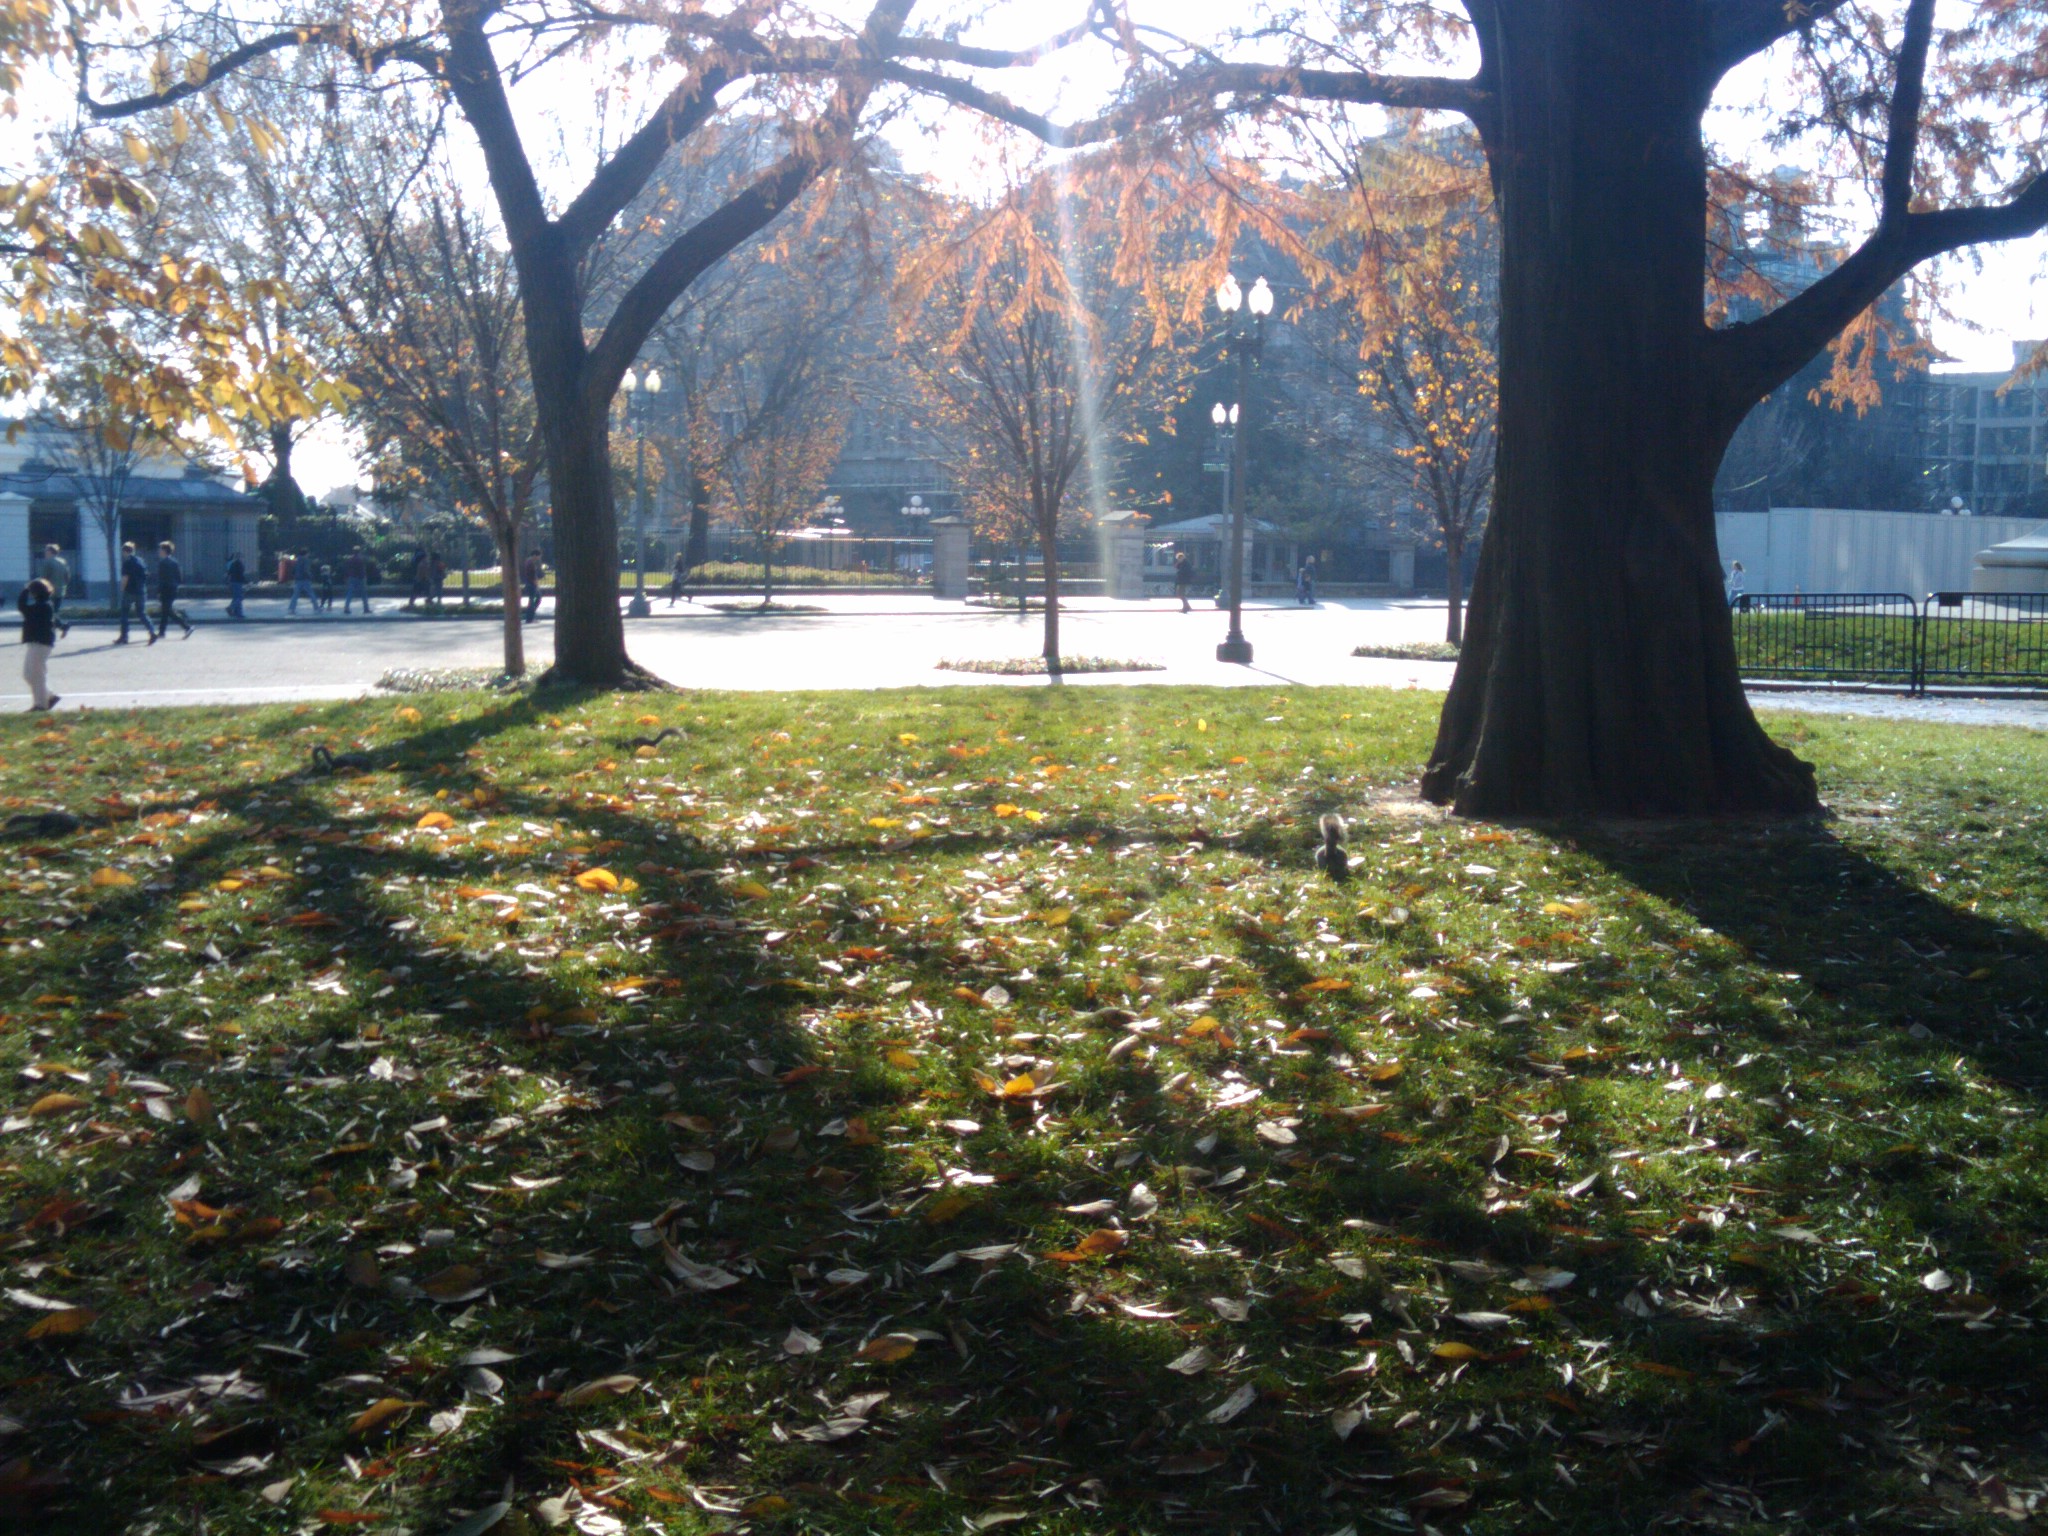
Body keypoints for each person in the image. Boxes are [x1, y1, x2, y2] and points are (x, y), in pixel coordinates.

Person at [18, 577, 58, 712]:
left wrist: (25, 589)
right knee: (29, 674)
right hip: (37, 643)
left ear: (35, 592)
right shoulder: (44, 604)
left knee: (36, 674)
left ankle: (40, 705)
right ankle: (49, 696)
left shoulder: (42, 606)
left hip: (41, 643)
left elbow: (22, 607)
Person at [148, 540, 193, 643]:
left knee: (168, 611)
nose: (159, 551)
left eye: (160, 549)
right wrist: (176, 585)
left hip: (165, 589)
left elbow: (162, 579)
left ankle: (187, 627)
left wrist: (158, 591)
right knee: (165, 611)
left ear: (164, 550)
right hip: (173, 589)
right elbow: (179, 577)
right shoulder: (174, 561)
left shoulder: (163, 563)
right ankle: (162, 632)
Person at [115, 540, 151, 644]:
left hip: (129, 591)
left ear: (125, 551)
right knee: (141, 613)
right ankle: (152, 632)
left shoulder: (127, 563)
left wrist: (122, 588)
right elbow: (146, 575)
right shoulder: (141, 561)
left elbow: (125, 577)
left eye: (123, 552)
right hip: (141, 591)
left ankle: (124, 636)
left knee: (124, 614)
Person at [35, 546, 71, 637]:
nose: (45, 553)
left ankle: (62, 627)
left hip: (49, 592)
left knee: (46, 612)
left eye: (46, 551)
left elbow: (43, 578)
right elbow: (67, 577)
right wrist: (63, 586)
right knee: (54, 612)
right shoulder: (63, 562)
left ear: (50, 552)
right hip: (60, 591)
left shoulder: (48, 562)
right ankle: (54, 630)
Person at [343, 547, 371, 614]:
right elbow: (361, 570)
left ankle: (346, 608)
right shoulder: (360, 560)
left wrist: (347, 577)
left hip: (352, 577)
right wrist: (364, 578)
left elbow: (347, 569)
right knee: (363, 594)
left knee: (350, 593)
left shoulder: (350, 559)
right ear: (359, 552)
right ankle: (366, 609)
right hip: (360, 578)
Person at [521, 550, 543, 623]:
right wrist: (537, 585)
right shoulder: (531, 563)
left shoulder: (528, 562)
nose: (538, 559)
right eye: (538, 557)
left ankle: (530, 617)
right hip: (532, 584)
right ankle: (530, 618)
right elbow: (533, 576)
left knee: (533, 601)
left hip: (529, 584)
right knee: (535, 600)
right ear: (534, 555)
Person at [225, 550, 247, 619]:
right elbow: (240, 575)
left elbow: (229, 573)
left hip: (232, 582)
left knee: (236, 597)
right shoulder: (240, 565)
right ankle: (231, 607)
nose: (242, 559)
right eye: (242, 557)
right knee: (240, 597)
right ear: (239, 557)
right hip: (238, 582)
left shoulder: (232, 564)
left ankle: (238, 613)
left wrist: (228, 582)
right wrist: (247, 582)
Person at [1172, 548, 1193, 613]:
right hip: (1181, 581)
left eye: (1179, 559)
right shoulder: (1182, 563)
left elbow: (1185, 571)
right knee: (1180, 594)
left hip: (1183, 581)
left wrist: (1180, 572)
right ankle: (1187, 607)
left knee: (1181, 594)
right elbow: (1176, 567)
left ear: (1181, 558)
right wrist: (1178, 562)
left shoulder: (1186, 563)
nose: (1178, 560)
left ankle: (1185, 608)